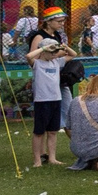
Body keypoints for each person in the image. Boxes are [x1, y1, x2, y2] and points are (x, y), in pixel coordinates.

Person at [25, 12, 73, 167]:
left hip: (55, 99)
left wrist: (62, 46)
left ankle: (52, 157)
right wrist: (43, 48)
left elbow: (73, 54)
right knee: (39, 131)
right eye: (51, 52)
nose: (54, 54)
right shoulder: (38, 64)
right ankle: (37, 160)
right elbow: (28, 56)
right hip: (42, 100)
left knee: (53, 131)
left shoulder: (56, 63)